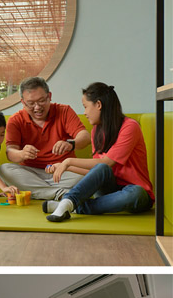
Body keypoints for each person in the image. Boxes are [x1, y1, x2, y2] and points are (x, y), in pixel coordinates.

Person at [44, 82, 152, 222]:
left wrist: (68, 162)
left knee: (135, 193)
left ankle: (71, 206)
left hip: (134, 192)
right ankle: (69, 202)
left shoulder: (130, 127)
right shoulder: (96, 131)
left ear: (98, 105)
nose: (84, 112)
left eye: (85, 107)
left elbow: (107, 162)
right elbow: (97, 171)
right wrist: (65, 167)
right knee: (101, 168)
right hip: (109, 189)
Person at [0, 77, 91, 200]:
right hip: (31, 173)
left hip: (62, 171)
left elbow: (85, 137)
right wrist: (22, 154)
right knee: (4, 169)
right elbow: (10, 152)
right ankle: (60, 194)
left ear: (49, 96)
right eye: (31, 103)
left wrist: (71, 144)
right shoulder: (15, 120)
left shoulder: (64, 111)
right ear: (23, 102)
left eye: (41, 101)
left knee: (90, 176)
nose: (37, 107)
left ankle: (42, 192)